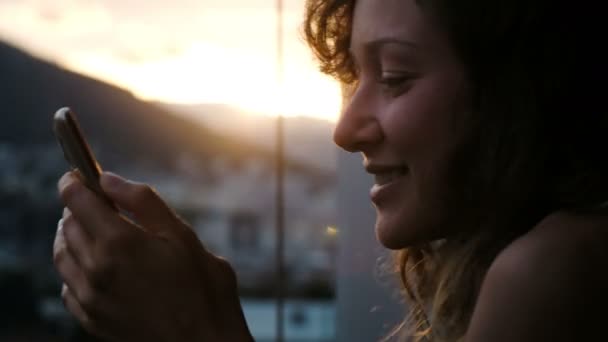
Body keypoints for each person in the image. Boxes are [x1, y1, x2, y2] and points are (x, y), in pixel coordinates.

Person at [53, 0, 608, 341]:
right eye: (353, 77)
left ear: (520, 91)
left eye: (393, 77)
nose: (345, 130)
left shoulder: (555, 268)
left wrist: (194, 330)